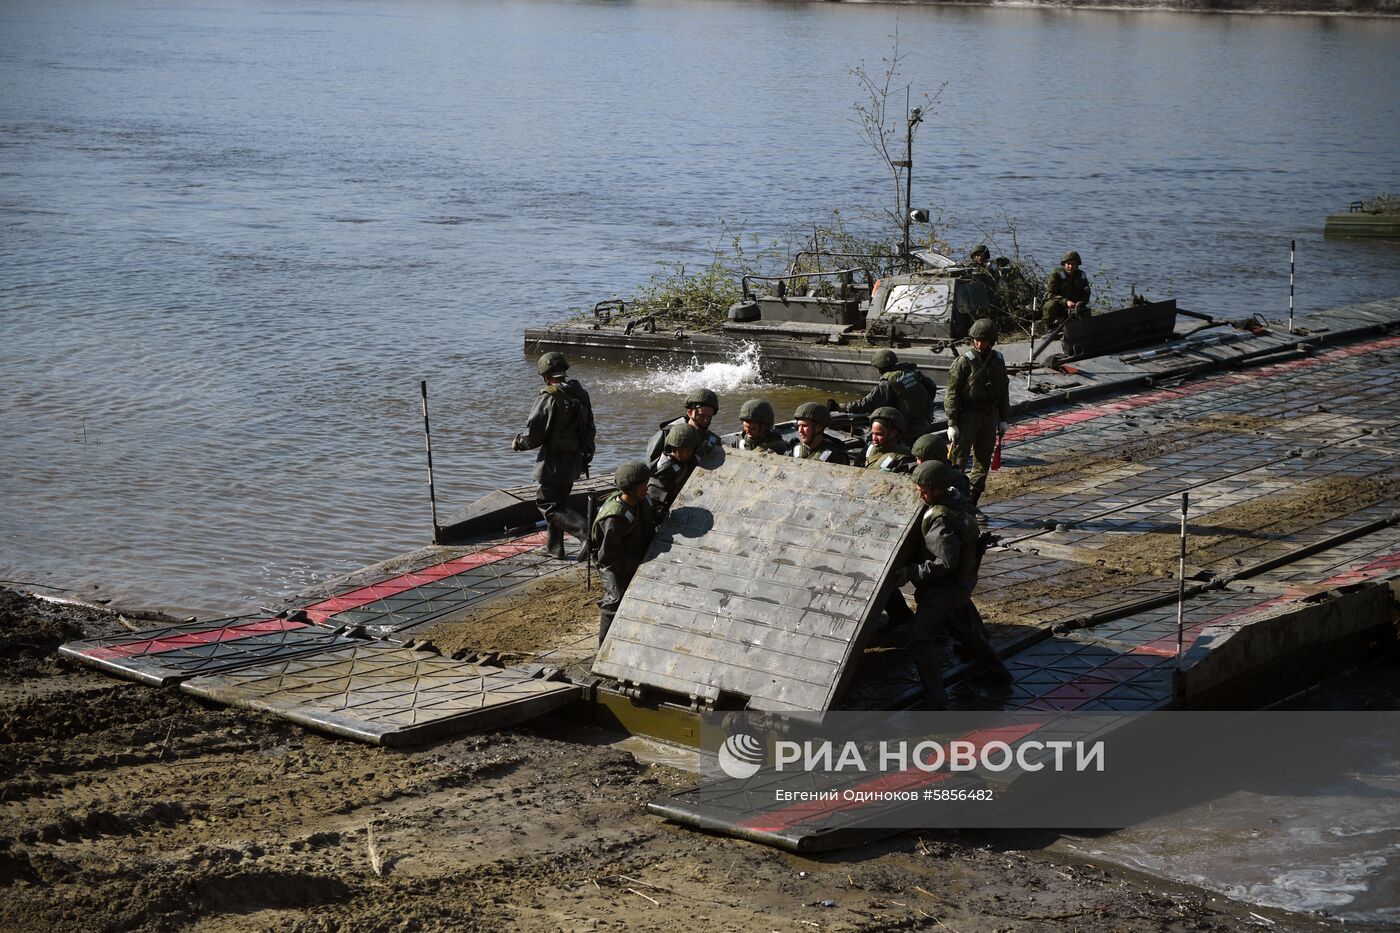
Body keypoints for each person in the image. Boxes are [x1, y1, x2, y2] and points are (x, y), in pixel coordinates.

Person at [906, 462, 1011, 710]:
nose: (920, 495)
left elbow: (943, 563)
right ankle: (998, 673)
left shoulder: (940, 519)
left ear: (938, 489)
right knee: (966, 631)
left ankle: (936, 698)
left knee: (919, 640)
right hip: (960, 586)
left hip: (943, 590)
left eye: (923, 491)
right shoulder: (958, 503)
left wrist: (911, 572)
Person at [512, 352, 596, 559]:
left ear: (544, 375)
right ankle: (554, 547)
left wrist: (518, 443)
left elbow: (534, 435)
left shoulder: (549, 397)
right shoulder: (580, 394)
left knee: (547, 505)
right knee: (559, 502)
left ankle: (587, 534)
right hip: (576, 459)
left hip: (554, 461)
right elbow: (590, 428)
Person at [945, 318, 1010, 505]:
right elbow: (952, 393)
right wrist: (952, 423)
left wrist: (1004, 418)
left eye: (984, 340)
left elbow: (1003, 391)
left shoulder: (998, 361)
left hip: (990, 417)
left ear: (992, 341)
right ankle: (955, 500)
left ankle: (971, 501)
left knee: (983, 463)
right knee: (958, 461)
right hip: (967, 417)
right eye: (976, 340)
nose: (980, 344)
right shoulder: (964, 362)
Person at [591, 460, 655, 647]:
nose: (648, 486)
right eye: (644, 484)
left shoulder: (643, 501)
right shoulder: (614, 518)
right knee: (615, 599)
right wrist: (637, 566)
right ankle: (603, 648)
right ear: (633, 488)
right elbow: (608, 557)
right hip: (612, 562)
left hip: (634, 553)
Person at [835, 350, 938, 440]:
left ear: (879, 368)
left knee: (870, 438)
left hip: (908, 429)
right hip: (925, 421)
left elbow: (866, 403)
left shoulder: (888, 382)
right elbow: (932, 388)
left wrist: (840, 407)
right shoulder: (911, 372)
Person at [643, 388, 723, 462]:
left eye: (709, 416)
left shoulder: (712, 440)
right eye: (701, 415)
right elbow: (650, 463)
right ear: (690, 413)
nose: (705, 420)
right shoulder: (668, 432)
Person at [648, 422, 703, 517]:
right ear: (673, 448)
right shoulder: (665, 470)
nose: (685, 454)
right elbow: (655, 502)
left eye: (688, 450)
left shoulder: (693, 459)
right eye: (681, 450)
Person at [910, 432, 971, 497]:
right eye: (918, 458)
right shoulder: (914, 471)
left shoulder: (956, 481)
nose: (920, 463)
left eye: (925, 460)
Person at [1042, 250, 1091, 329]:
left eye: (1073, 264)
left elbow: (1086, 294)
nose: (1070, 267)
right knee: (1050, 306)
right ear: (1064, 265)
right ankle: (1048, 326)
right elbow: (1051, 294)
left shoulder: (1081, 276)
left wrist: (1081, 302)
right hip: (1059, 304)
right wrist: (1066, 301)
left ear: (1077, 265)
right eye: (1068, 264)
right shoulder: (1056, 274)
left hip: (1075, 306)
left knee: (1086, 312)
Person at [862, 407, 915, 473]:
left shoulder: (903, 460)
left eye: (879, 434)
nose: (874, 438)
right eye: (873, 433)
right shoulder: (870, 447)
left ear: (894, 433)